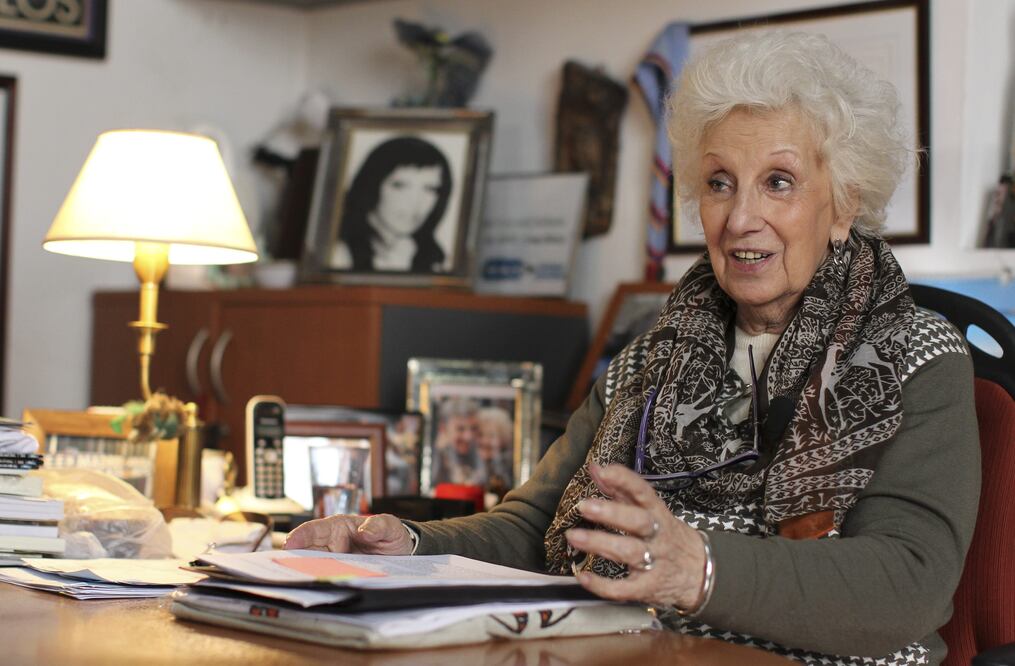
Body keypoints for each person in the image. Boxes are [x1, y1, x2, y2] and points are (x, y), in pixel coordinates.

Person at [286, 31, 979, 666]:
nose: (741, 217)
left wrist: (698, 570)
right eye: (719, 183)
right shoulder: (652, 355)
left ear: (844, 205)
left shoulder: (917, 354)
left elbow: (907, 582)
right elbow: (536, 527)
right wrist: (406, 545)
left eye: (778, 182)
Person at [331, 135, 453, 273]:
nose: (415, 202)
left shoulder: (432, 259)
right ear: (371, 185)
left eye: (430, 189)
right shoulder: (338, 253)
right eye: (400, 186)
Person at [430, 396, 481, 486]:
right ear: (443, 429)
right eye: (460, 429)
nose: (468, 437)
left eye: (474, 428)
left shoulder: (483, 452)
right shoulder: (435, 457)